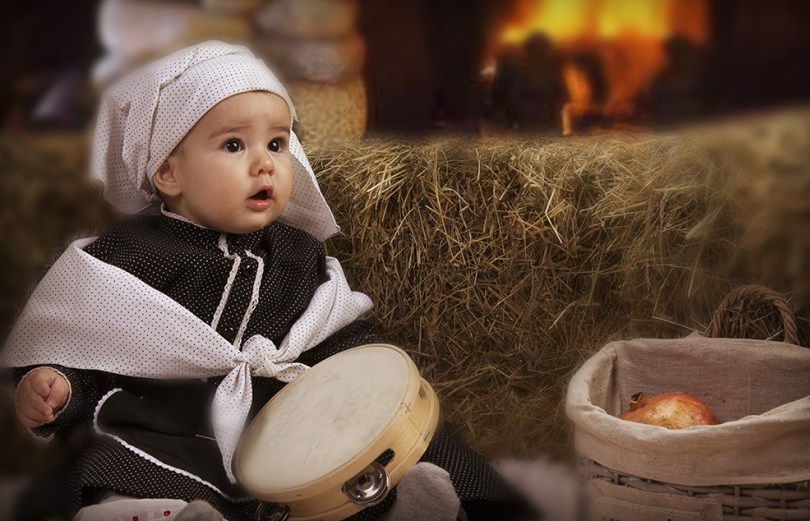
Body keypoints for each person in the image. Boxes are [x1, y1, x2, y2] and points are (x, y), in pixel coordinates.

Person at [1, 41, 531, 521]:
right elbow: (87, 343)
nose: (265, 165)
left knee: (382, 451)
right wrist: (60, 387)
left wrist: (368, 383)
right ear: (169, 173)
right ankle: (152, 514)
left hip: (277, 436)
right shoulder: (128, 255)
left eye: (278, 144)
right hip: (164, 436)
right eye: (234, 146)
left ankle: (404, 501)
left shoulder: (295, 253)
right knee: (108, 461)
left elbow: (332, 337)